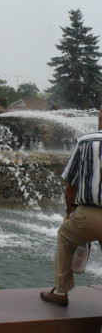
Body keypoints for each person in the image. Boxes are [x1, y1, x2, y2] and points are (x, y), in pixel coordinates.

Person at [40, 105, 102, 306]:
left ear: (100, 117)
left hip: (88, 214)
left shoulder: (85, 141)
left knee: (65, 237)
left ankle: (61, 292)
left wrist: (70, 213)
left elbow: (70, 186)